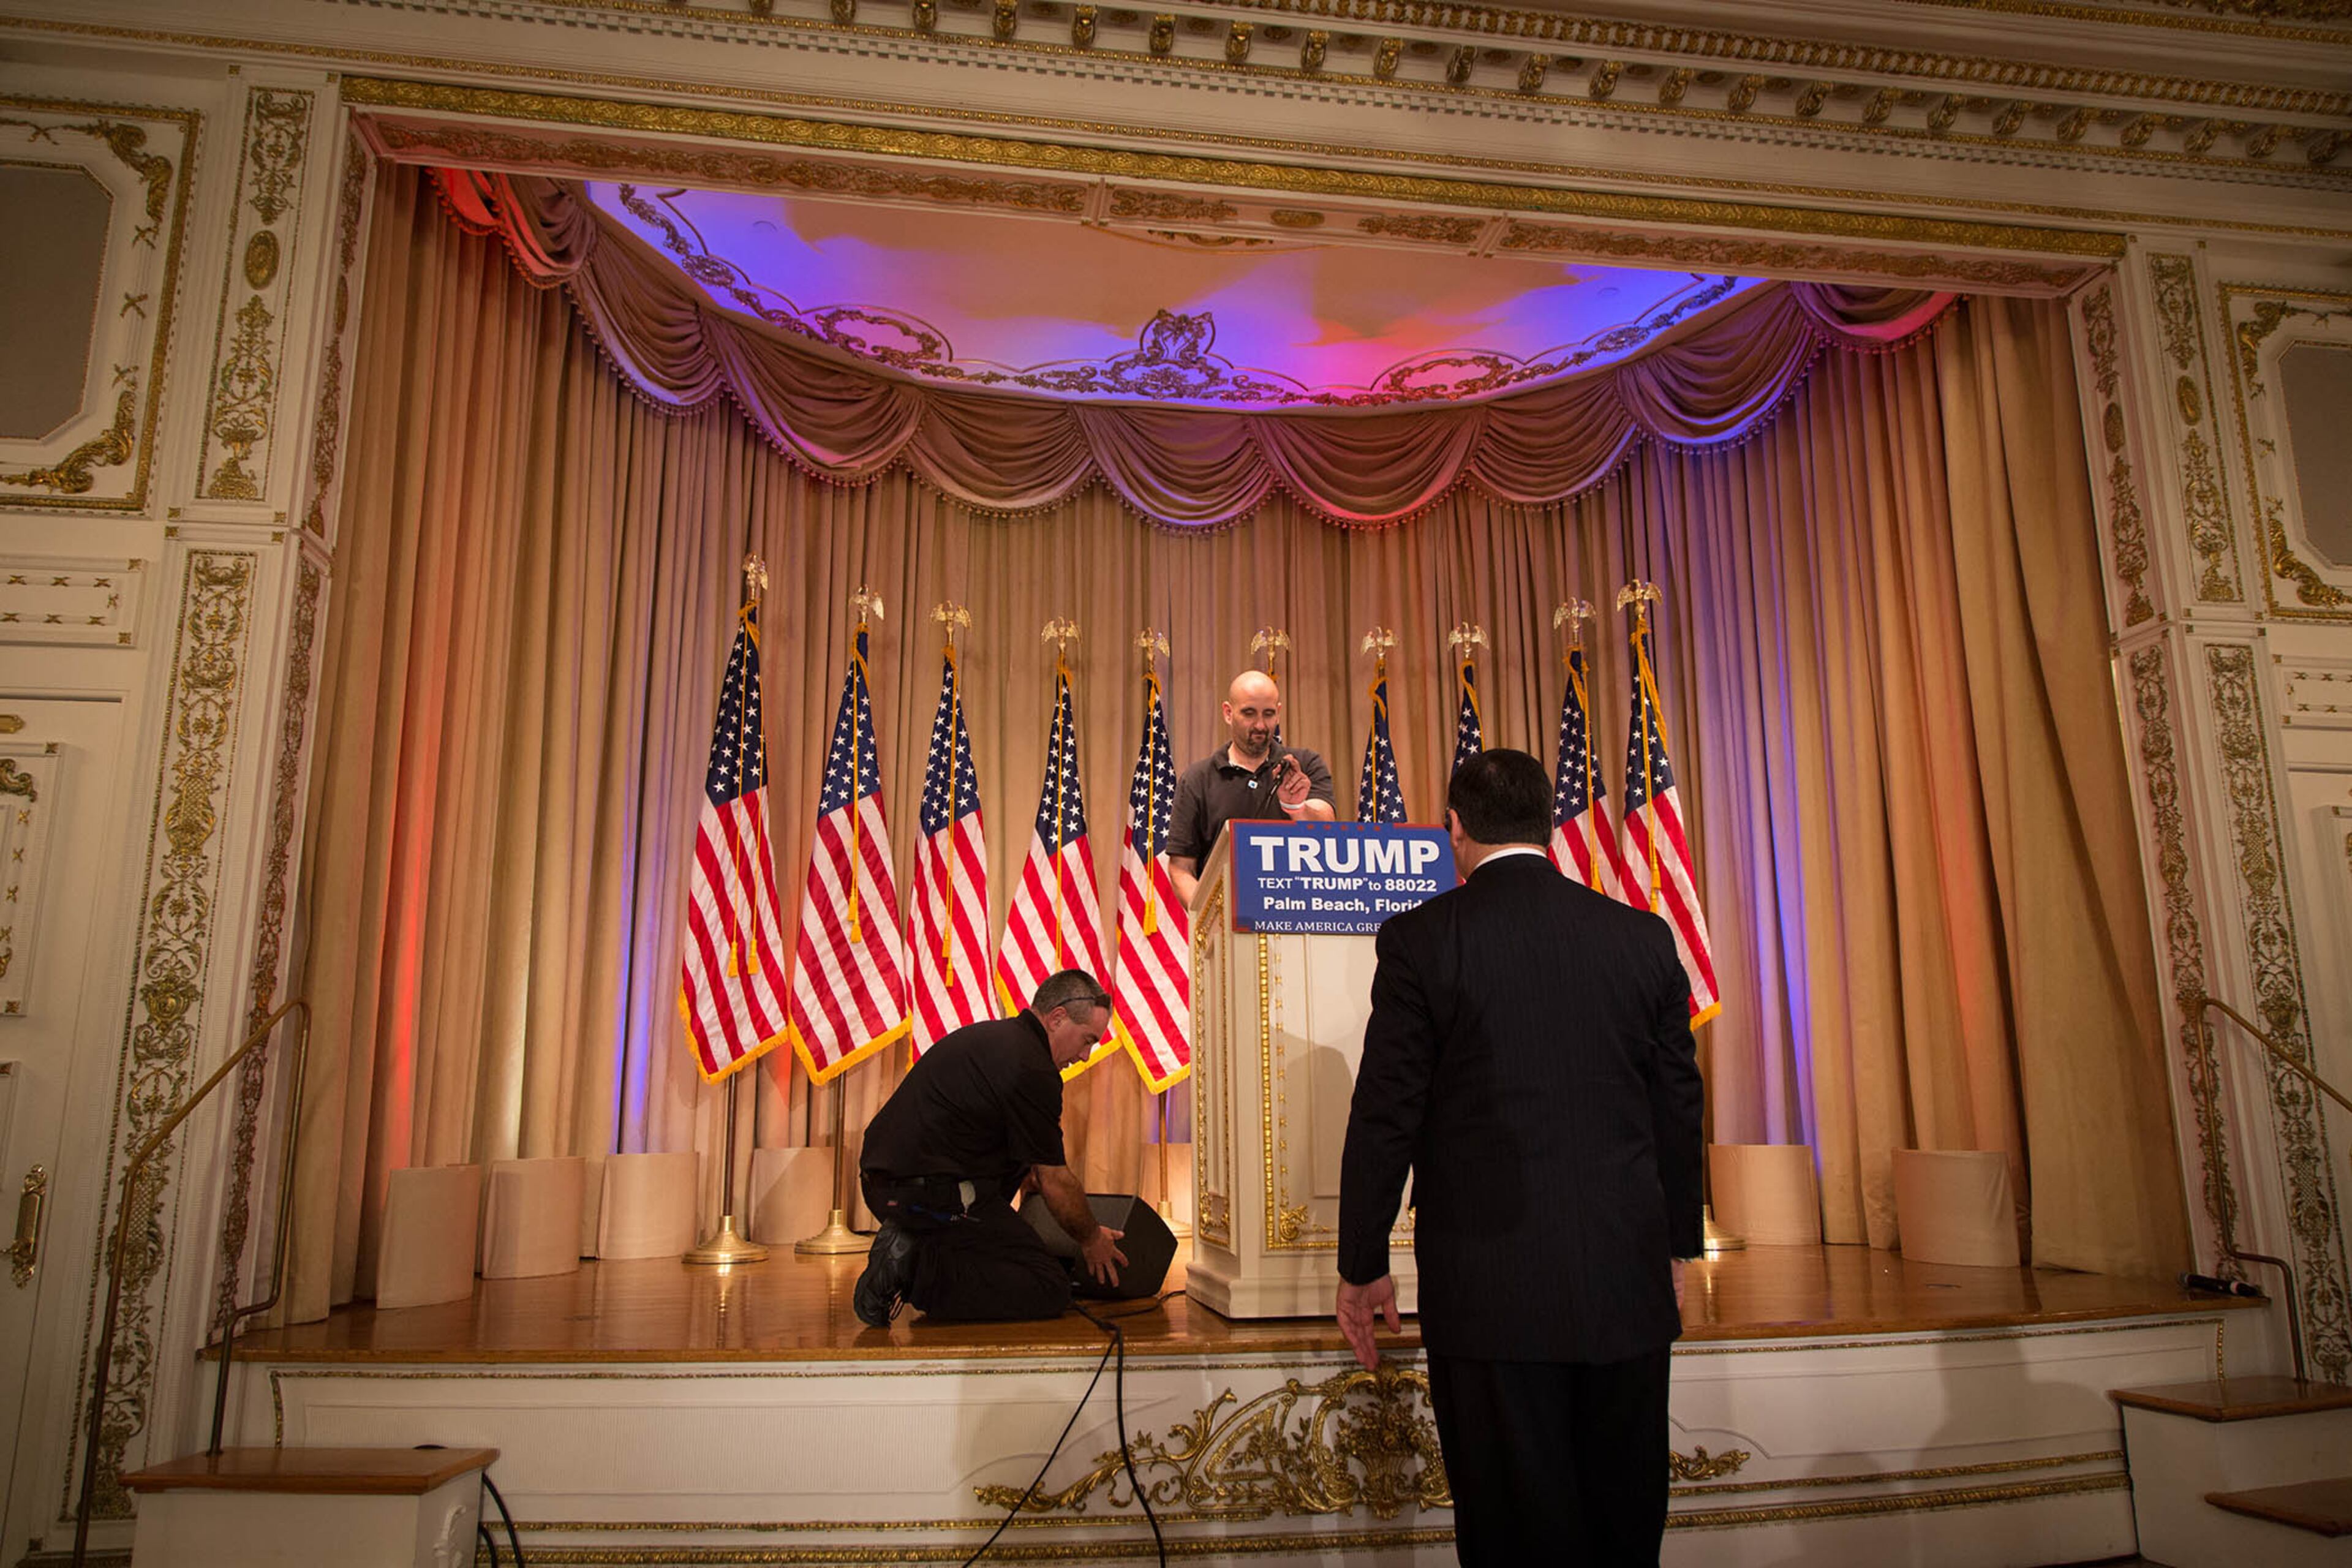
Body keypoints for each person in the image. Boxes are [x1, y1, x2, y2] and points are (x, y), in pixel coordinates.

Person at [1334, 748, 1703, 1566]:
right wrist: (1679, 1244)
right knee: (1623, 1525)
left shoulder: (1422, 940)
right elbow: (1679, 1107)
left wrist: (1361, 1262)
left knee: (1511, 1533)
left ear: (1455, 830)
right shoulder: (1643, 939)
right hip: (1624, 1280)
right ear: (1548, 826)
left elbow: (1387, 1114)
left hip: (1491, 1289)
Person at [853, 970, 1128, 1327]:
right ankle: (912, 1266)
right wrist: (1092, 1239)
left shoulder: (999, 1040)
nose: (1086, 1056)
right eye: (1087, 1040)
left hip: (888, 1187)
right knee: (1048, 1287)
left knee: (1011, 1256)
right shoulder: (1034, 1069)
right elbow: (1056, 1181)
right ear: (1058, 1018)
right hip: (926, 1199)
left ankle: (912, 1246)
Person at [1167, 669, 1336, 905]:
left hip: (1298, 918)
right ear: (1228, 713)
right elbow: (1181, 869)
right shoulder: (1198, 779)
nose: (1260, 725)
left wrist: (1297, 807)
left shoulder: (1305, 764)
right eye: (1249, 713)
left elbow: (1328, 832)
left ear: (1278, 713)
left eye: (1268, 714)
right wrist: (1214, 917)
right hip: (1225, 928)